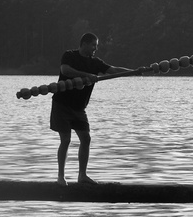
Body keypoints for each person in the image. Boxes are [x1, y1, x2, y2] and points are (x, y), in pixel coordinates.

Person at [50, 32, 138, 186]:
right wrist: (87, 75)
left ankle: (82, 175)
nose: (95, 49)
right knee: (66, 140)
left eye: (96, 46)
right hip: (62, 105)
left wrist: (135, 71)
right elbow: (65, 70)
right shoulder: (69, 55)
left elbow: (113, 69)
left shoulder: (95, 62)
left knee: (86, 138)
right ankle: (60, 178)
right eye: (93, 46)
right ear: (84, 44)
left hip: (79, 108)